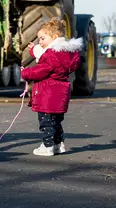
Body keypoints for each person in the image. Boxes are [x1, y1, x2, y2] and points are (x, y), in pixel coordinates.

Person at [20, 18, 82, 156]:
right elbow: (44, 56)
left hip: (48, 95)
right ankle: (58, 145)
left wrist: (25, 73)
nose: (40, 42)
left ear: (54, 37)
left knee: (46, 123)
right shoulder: (64, 53)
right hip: (60, 94)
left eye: (42, 38)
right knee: (56, 122)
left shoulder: (51, 55)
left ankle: (47, 146)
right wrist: (34, 50)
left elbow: (41, 70)